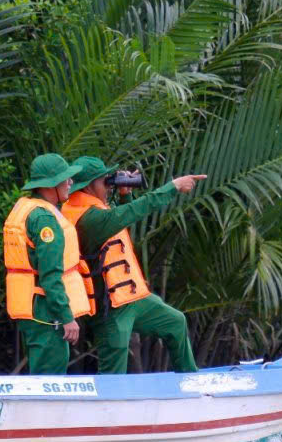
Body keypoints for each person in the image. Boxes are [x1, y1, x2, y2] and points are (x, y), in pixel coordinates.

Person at [63, 156, 206, 374]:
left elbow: (120, 229)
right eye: (105, 181)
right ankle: (107, 405)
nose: (109, 185)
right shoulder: (88, 219)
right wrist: (173, 187)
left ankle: (190, 381)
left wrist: (124, 195)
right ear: (90, 186)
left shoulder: (96, 210)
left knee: (175, 322)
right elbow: (133, 212)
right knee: (113, 372)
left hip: (132, 298)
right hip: (110, 309)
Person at [1, 154, 93, 375]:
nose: (70, 182)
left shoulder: (27, 208)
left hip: (32, 307)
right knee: (49, 379)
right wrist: (66, 316)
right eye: (66, 179)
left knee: (40, 375)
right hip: (45, 310)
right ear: (51, 184)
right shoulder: (44, 219)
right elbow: (50, 275)